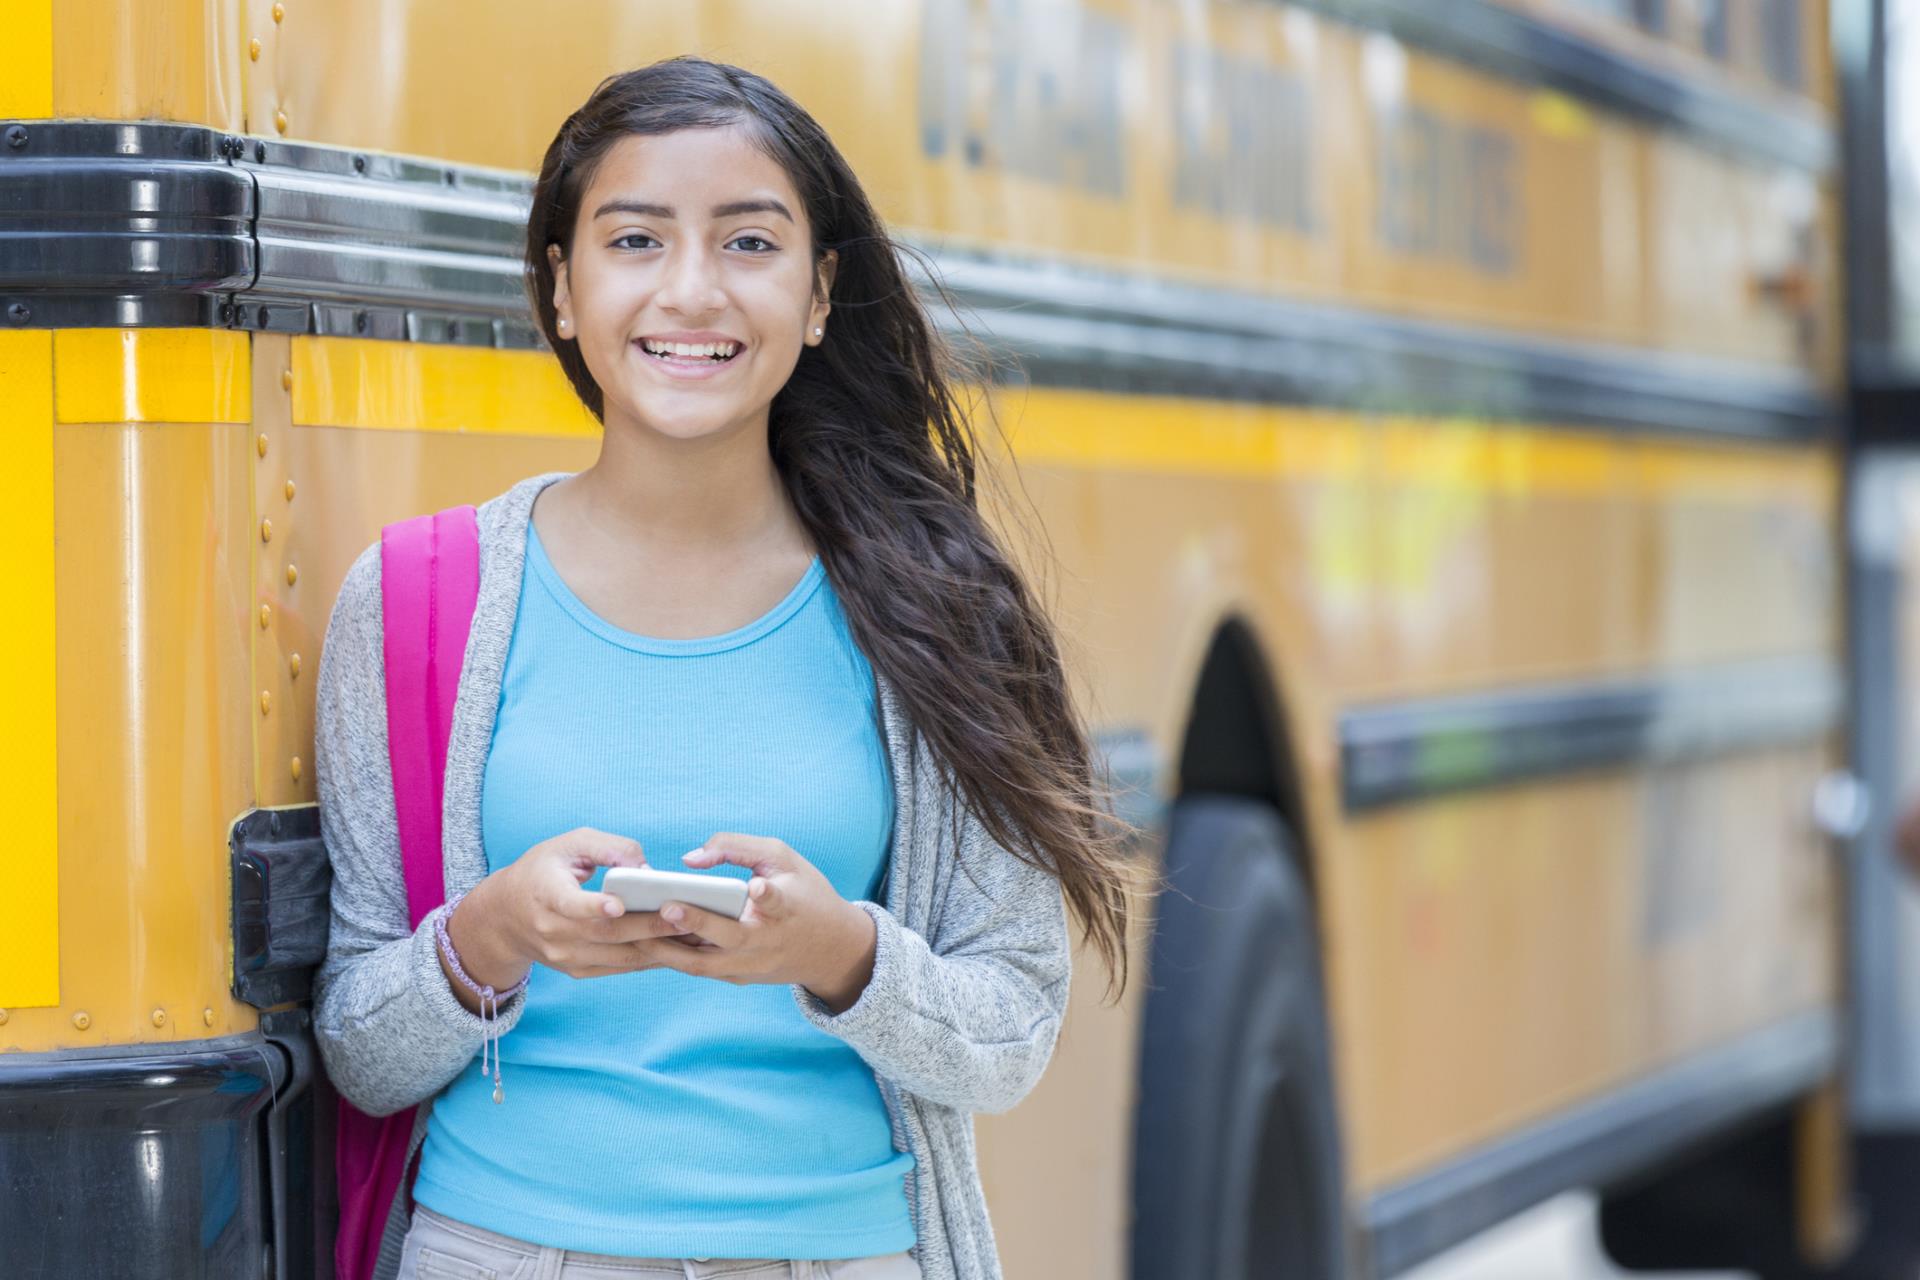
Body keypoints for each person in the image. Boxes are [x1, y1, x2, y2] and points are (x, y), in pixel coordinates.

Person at [311, 55, 1138, 1280]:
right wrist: (489, 932)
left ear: (818, 294)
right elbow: (357, 1047)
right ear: (562, 288)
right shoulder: (416, 599)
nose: (690, 292)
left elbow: (1012, 1026)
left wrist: (839, 953)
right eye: (635, 239)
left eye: (749, 244)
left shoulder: (934, 613)